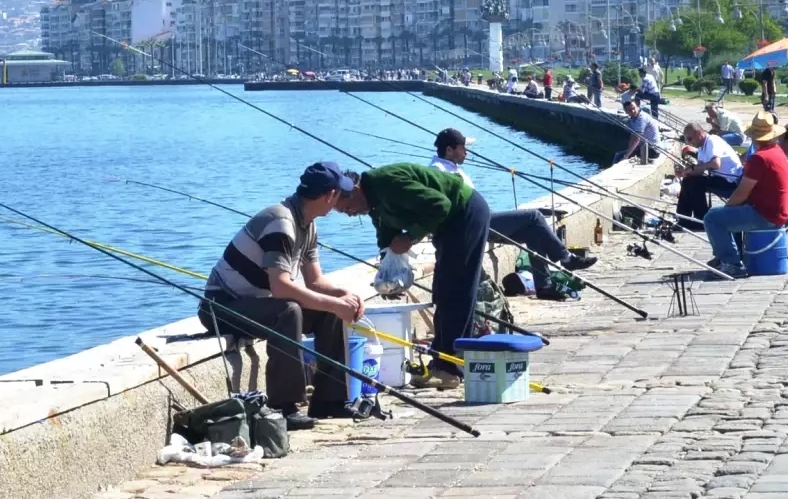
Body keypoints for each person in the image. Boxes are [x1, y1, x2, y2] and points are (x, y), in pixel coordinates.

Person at [199, 162, 366, 430]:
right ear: (328, 195)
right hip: (220, 307)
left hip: (255, 303)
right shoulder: (281, 222)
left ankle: (329, 400)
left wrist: (344, 296)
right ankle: (284, 406)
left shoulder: (307, 224)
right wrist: (335, 303)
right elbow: (281, 288)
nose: (342, 200)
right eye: (339, 193)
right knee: (288, 310)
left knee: (329, 311)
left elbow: (315, 281)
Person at [334, 163, 490, 389]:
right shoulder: (373, 203)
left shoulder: (387, 183)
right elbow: (387, 235)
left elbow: (440, 204)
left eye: (346, 207)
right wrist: (389, 278)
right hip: (446, 225)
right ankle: (442, 362)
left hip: (464, 213)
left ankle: (450, 368)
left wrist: (412, 237)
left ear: (356, 189)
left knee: (457, 292)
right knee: (442, 292)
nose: (349, 214)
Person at [429, 129, 589, 301]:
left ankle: (545, 286)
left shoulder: (453, 168)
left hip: (482, 220)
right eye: (462, 148)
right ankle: (565, 258)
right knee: (534, 216)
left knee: (533, 231)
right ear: (449, 150)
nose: (467, 152)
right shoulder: (439, 171)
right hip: (473, 226)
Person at [702, 112, 788, 279]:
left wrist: (728, 207)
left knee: (712, 218)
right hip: (778, 211)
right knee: (725, 215)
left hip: (765, 214)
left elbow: (742, 192)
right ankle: (726, 257)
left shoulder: (759, 158)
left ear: (754, 137)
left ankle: (732, 263)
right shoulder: (777, 151)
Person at [674, 121, 745, 229]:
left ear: (699, 134)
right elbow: (700, 169)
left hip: (730, 181)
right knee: (688, 180)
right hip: (719, 177)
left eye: (689, 139)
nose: (689, 143)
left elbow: (716, 164)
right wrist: (685, 172)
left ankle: (701, 220)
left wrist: (694, 169)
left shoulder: (712, 141)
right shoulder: (702, 147)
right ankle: (684, 219)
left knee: (695, 183)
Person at [613, 98, 660, 165]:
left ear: (638, 107)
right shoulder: (633, 118)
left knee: (619, 156)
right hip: (643, 146)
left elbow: (636, 139)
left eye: (633, 108)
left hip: (652, 150)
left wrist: (626, 156)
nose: (632, 111)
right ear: (626, 111)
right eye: (629, 110)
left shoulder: (641, 118)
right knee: (621, 153)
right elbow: (632, 136)